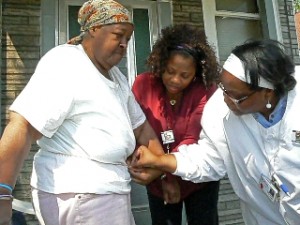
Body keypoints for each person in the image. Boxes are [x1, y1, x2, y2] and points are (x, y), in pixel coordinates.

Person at [0, 0, 164, 225]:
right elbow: (23, 125)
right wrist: (2, 193)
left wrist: (157, 162)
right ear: (94, 29)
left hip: (107, 192)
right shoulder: (66, 64)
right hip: (82, 194)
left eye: (128, 38)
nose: (124, 44)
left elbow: (141, 126)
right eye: (118, 35)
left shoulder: (116, 77)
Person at [130, 39, 300, 225]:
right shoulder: (220, 108)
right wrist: (160, 161)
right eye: (223, 88)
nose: (225, 98)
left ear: (267, 92)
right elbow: (208, 158)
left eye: (235, 95)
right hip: (264, 218)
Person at [131, 24, 220, 225]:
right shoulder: (143, 85)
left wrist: (164, 172)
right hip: (157, 180)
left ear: (196, 73)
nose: (175, 80)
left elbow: (192, 138)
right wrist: (164, 179)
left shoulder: (205, 90)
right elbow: (137, 130)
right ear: (162, 63)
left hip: (198, 178)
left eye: (185, 75)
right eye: (170, 71)